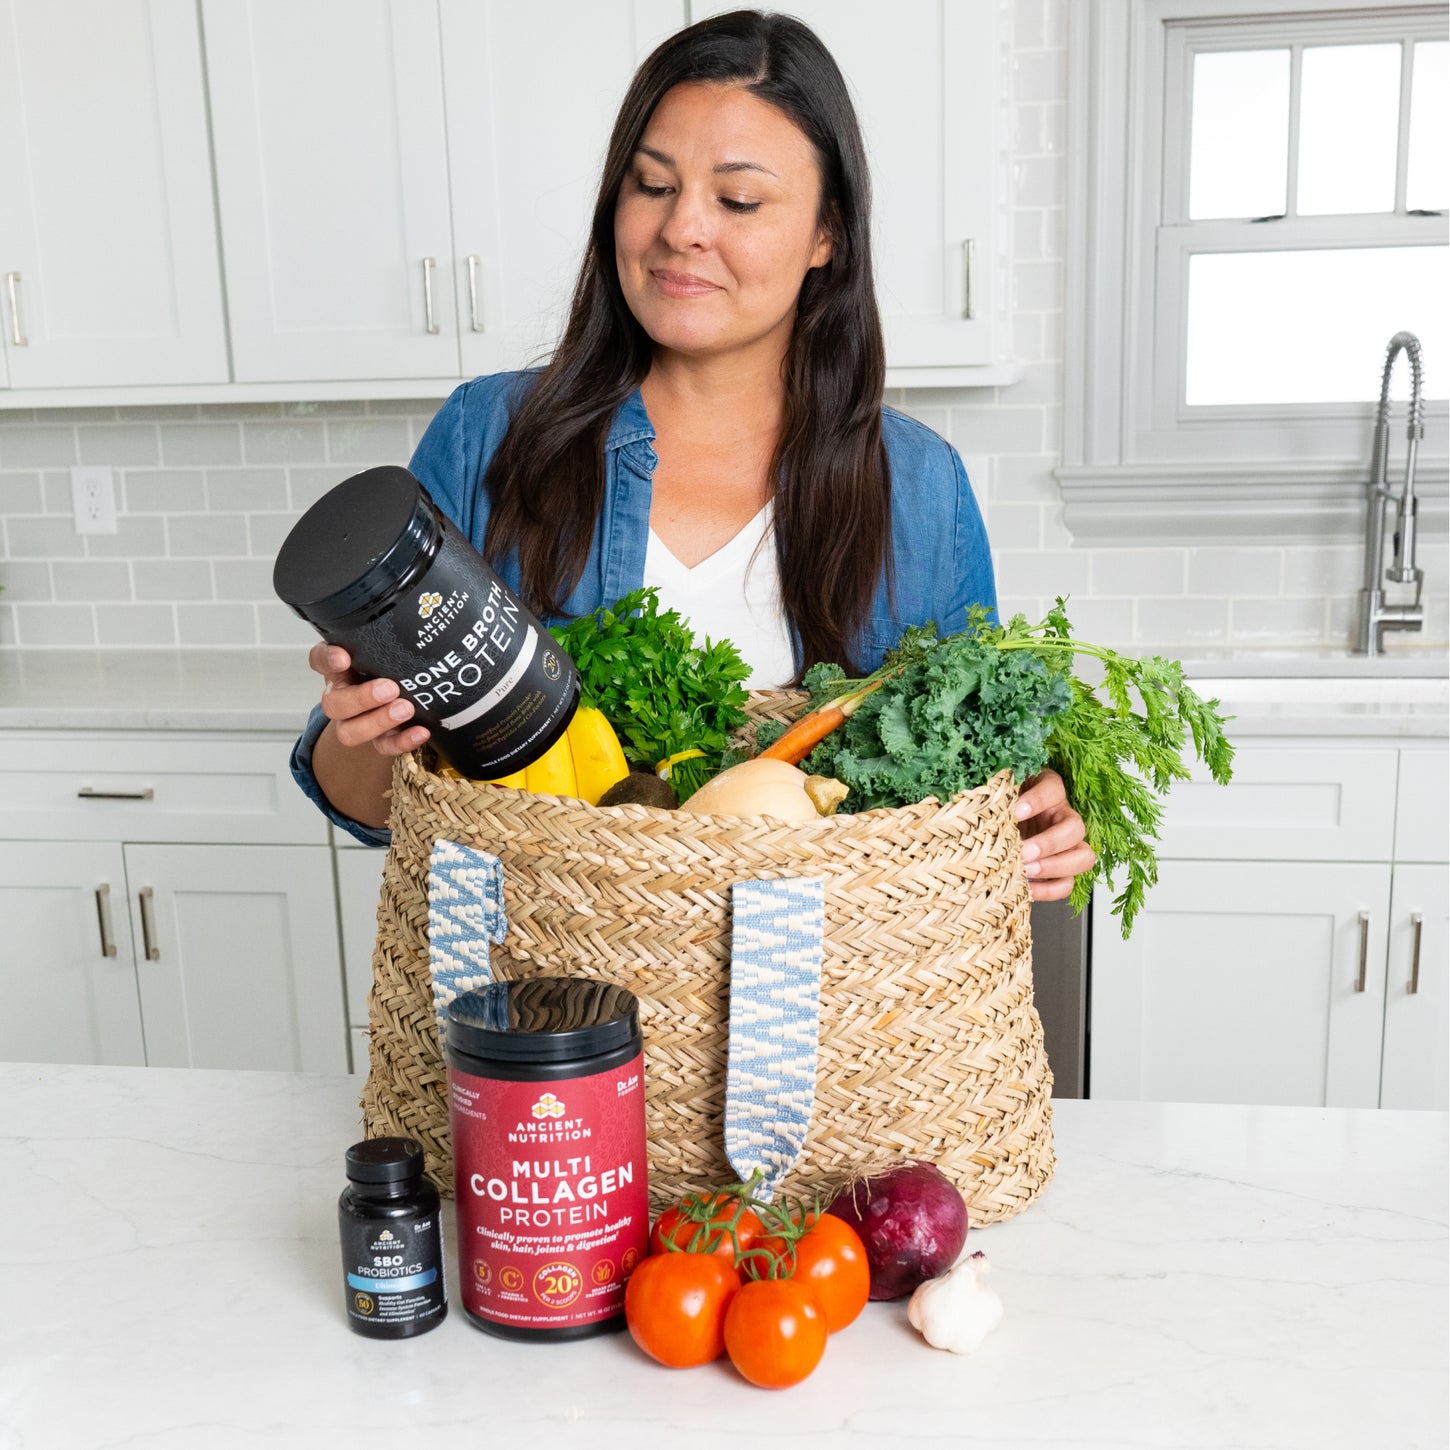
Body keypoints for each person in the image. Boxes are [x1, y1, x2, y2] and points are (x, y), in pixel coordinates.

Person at [291, 9, 1094, 901]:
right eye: (652, 185)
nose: (683, 230)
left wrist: (1038, 825)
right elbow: (365, 807)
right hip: (546, 1002)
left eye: (739, 200)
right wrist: (363, 734)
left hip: (831, 1015)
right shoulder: (492, 436)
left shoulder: (916, 486)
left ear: (828, 234)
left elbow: (976, 786)